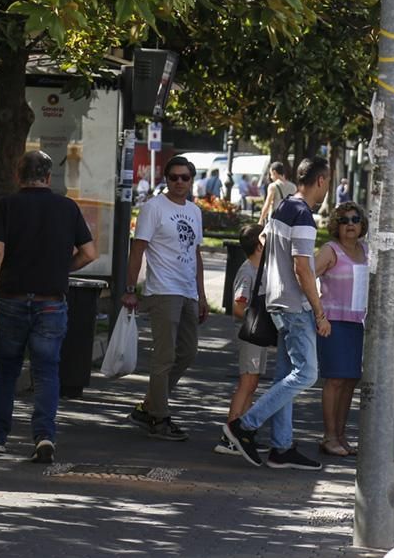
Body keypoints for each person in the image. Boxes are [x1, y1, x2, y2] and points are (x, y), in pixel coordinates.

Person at [0, 151, 98, 463]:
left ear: (19, 176)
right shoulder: (67, 207)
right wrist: (61, 269)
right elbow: (89, 252)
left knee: (7, 369)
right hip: (51, 302)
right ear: (48, 177)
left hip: (13, 300)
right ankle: (44, 435)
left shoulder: (8, 205)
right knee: (47, 371)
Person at [223, 157, 332, 470]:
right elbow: (302, 268)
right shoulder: (303, 216)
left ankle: (282, 447)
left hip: (276, 302)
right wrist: (320, 312)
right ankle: (244, 426)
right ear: (321, 181)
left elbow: (264, 242)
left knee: (287, 375)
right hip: (296, 305)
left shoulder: (282, 208)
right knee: (307, 373)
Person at [122, 156, 207, 441]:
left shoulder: (195, 211)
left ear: (192, 180)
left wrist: (202, 295)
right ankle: (159, 418)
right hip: (163, 290)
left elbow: (196, 254)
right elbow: (138, 250)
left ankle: (149, 406)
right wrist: (130, 288)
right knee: (164, 357)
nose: (179, 182)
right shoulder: (153, 207)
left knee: (188, 352)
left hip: (188, 291)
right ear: (166, 179)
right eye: (174, 177)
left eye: (185, 177)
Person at [313, 201, 370, 457]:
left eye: (355, 219)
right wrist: (318, 314)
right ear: (337, 224)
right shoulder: (330, 250)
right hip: (333, 323)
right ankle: (329, 436)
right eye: (345, 220)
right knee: (335, 379)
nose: (350, 224)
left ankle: (341, 435)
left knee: (350, 380)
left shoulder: (367, 250)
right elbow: (305, 276)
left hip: (358, 323)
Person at [214, 224, 273, 456]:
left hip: (258, 336)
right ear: (260, 245)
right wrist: (259, 319)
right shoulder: (248, 271)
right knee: (246, 383)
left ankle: (243, 432)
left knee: (252, 383)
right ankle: (230, 433)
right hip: (251, 335)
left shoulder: (262, 268)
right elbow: (238, 307)